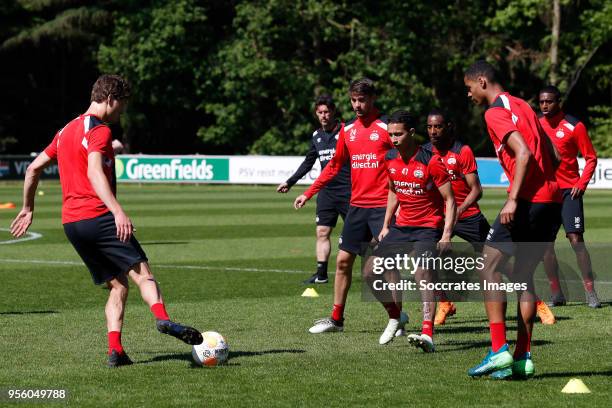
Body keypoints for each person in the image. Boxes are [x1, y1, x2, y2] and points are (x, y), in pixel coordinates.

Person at [10, 74, 203, 367]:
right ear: (111, 99)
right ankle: (163, 320)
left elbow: (33, 169)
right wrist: (117, 211)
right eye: (122, 106)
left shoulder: (64, 132)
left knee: (118, 286)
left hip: (72, 225)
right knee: (143, 275)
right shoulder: (98, 130)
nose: (121, 113)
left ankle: (116, 351)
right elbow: (94, 173)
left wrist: (27, 207)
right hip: (98, 216)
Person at [463, 61, 561, 379]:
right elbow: (553, 153)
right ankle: (522, 357)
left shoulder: (494, 112)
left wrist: (514, 198)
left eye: (469, 88)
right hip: (551, 201)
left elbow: (524, 153)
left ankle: (497, 350)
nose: (468, 94)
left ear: (482, 81)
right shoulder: (524, 105)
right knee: (523, 278)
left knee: (487, 267)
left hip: (528, 202)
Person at [294, 78, 408, 337]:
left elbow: (404, 161)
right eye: (353, 100)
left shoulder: (386, 128)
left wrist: (402, 201)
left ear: (372, 99)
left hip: (382, 208)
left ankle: (396, 315)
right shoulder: (347, 131)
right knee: (343, 262)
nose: (357, 105)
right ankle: (337, 319)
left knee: (384, 267)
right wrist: (309, 193)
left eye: (362, 100)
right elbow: (333, 166)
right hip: (356, 206)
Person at [423, 109, 557, 325]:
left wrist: (458, 212)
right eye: (429, 127)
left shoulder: (462, 150)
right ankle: (444, 302)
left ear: (448, 126)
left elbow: (476, 190)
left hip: (468, 217)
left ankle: (538, 302)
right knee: (426, 260)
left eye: (437, 126)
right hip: (438, 217)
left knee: (498, 263)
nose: (433, 131)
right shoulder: (425, 152)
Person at [363, 110, 455, 349]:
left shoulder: (431, 161)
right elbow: (393, 190)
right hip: (401, 227)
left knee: (422, 275)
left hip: (427, 227)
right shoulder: (390, 158)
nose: (394, 139)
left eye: (399, 134)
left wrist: (446, 234)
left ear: (412, 133)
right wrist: (385, 225)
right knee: (370, 272)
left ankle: (427, 334)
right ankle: (395, 315)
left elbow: (450, 199)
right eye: (391, 134)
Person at [538, 85, 601, 308]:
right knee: (545, 245)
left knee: (576, 241)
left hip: (569, 192)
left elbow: (591, 157)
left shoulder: (575, 126)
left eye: (549, 102)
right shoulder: (536, 125)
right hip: (546, 192)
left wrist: (581, 184)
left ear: (559, 102)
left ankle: (590, 291)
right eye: (541, 102)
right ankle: (556, 293)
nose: (545, 106)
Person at [277, 95, 350, 284]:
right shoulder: (316, 136)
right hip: (326, 192)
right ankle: (321, 274)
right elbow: (308, 162)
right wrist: (290, 182)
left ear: (333, 112)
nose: (324, 116)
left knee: (361, 234)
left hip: (349, 191)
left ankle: (376, 271)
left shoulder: (346, 131)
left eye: (326, 112)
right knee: (322, 232)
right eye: (320, 113)